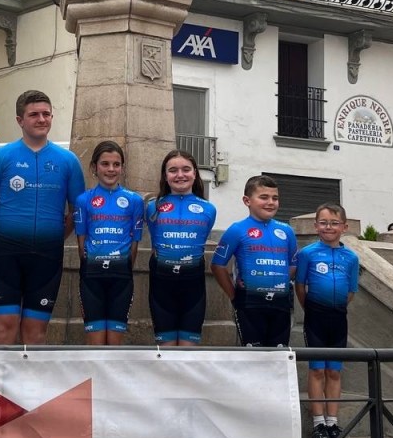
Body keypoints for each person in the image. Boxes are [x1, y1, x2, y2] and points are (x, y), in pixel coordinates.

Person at [0, 90, 85, 344]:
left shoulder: (68, 161)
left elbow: (77, 209)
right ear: (20, 120)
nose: (41, 119)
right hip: (6, 255)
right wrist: (2, 233)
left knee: (35, 334)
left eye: (46, 114)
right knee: (3, 329)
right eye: (34, 114)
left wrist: (57, 236)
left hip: (47, 257)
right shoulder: (1, 157)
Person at [295, 204, 359, 438]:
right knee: (317, 371)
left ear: (344, 227)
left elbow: (351, 291)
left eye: (334, 223)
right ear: (315, 226)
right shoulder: (307, 254)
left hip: (338, 318)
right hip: (315, 318)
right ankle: (318, 424)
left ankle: (333, 423)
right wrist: (311, 308)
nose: (328, 227)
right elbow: (299, 286)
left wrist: (336, 307)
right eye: (323, 222)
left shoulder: (351, 257)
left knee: (334, 371)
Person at [210, 174, 297, 347]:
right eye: (263, 197)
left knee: (278, 357)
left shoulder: (287, 230)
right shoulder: (237, 229)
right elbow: (217, 265)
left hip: (280, 305)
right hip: (249, 304)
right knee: (253, 356)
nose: (270, 202)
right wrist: (234, 296)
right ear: (247, 200)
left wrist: (277, 282)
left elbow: (293, 264)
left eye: (275, 198)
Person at [74, 141, 144, 346]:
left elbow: (135, 243)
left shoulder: (134, 200)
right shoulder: (83, 200)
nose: (111, 169)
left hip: (121, 278)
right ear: (94, 167)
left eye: (116, 164)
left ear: (122, 167)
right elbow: (81, 243)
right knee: (95, 343)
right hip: (92, 277)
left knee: (114, 344)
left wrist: (123, 267)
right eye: (105, 164)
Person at [145, 150, 216, 347]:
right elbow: (154, 244)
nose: (180, 175)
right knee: (166, 351)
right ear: (165, 175)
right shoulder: (152, 207)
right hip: (162, 285)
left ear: (195, 173)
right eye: (173, 170)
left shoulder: (208, 209)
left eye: (186, 169)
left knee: (188, 353)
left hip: (193, 287)